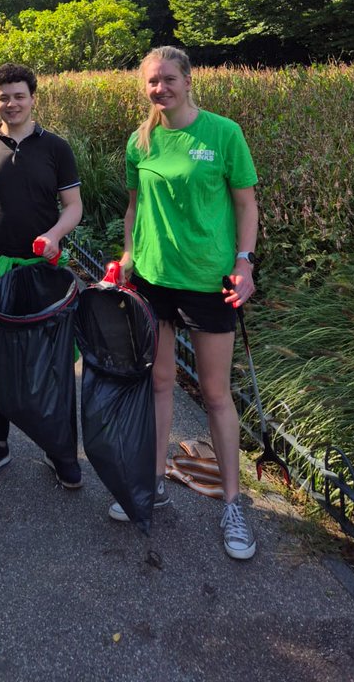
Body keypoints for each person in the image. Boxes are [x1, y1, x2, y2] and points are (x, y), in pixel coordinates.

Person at [108, 45, 259, 560]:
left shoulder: (223, 133)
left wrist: (245, 263)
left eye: (168, 79)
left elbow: (245, 203)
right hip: (154, 280)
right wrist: (129, 252)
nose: (160, 88)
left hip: (207, 280)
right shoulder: (140, 140)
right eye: (152, 81)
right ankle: (152, 484)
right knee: (159, 382)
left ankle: (234, 505)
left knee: (215, 394)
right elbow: (133, 207)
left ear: (188, 80)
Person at [0, 63, 83, 486]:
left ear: (32, 98)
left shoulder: (56, 148)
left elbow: (74, 206)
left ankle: (58, 447)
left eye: (19, 95)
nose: (11, 103)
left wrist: (54, 234)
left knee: (52, 362)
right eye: (3, 96)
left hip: (41, 273)